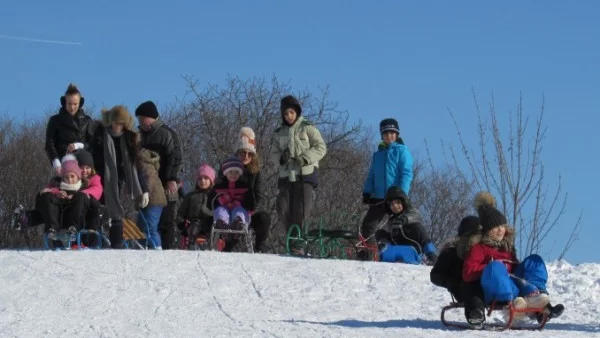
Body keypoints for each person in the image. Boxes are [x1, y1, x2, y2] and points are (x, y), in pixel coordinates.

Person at [463, 191, 564, 321]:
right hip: (495, 288)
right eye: (495, 227)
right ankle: (517, 302)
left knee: (534, 260)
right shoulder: (479, 249)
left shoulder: (507, 248)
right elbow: (467, 273)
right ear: (487, 230)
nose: (500, 230)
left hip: (514, 284)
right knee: (496, 267)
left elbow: (515, 270)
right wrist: (490, 267)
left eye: (502, 226)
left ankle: (539, 299)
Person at [270, 95, 327, 246]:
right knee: (282, 208)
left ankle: (299, 243)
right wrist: (281, 159)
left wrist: (305, 158)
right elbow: (273, 153)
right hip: (286, 175)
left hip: (305, 174)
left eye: (291, 113)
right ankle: (292, 239)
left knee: (301, 211)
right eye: (286, 113)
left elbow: (321, 147)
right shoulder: (278, 132)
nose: (289, 116)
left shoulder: (308, 127)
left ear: (297, 112)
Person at [90, 105, 149, 249]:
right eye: (116, 123)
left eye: (121, 123)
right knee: (98, 210)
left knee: (115, 209)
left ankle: (116, 243)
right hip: (99, 177)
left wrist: (144, 188)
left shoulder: (129, 138)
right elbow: (91, 156)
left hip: (120, 179)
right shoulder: (100, 135)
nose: (118, 126)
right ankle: (94, 241)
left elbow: (138, 164)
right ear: (111, 122)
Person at [135, 100, 183, 249]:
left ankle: (167, 251)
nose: (141, 122)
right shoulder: (139, 135)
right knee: (146, 221)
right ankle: (146, 248)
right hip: (147, 185)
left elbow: (175, 157)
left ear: (151, 117)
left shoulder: (167, 134)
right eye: (139, 120)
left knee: (166, 221)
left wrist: (171, 178)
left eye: (143, 119)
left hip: (166, 183)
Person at [361, 118, 413, 248]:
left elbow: (406, 174)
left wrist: (401, 194)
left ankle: (405, 254)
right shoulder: (378, 155)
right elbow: (372, 175)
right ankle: (371, 254)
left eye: (392, 133)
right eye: (386, 133)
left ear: (397, 135)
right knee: (368, 226)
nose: (389, 136)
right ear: (382, 136)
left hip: (395, 198)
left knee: (400, 227)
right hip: (379, 197)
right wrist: (367, 192)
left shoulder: (402, 151)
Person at [216, 127, 270, 252]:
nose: (246, 156)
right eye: (242, 153)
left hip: (246, 210)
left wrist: (250, 205)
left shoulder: (255, 172)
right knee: (229, 221)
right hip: (227, 210)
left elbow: (258, 194)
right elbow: (218, 188)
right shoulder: (228, 168)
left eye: (249, 154)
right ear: (237, 153)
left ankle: (259, 247)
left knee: (263, 218)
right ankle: (225, 247)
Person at [430, 215, 487, 326]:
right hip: (462, 287)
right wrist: (450, 283)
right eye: (476, 236)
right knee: (470, 290)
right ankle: (475, 313)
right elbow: (435, 275)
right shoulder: (451, 253)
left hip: (486, 285)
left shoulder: (484, 249)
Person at [35, 155, 92, 243]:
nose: (69, 180)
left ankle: (73, 229)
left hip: (77, 220)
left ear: (78, 177)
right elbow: (40, 201)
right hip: (59, 219)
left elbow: (93, 204)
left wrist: (78, 196)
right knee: (46, 196)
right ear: (63, 178)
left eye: (72, 176)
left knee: (81, 196)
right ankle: (52, 229)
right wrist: (54, 192)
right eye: (66, 177)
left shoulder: (84, 188)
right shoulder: (57, 188)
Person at [374, 186, 437, 264]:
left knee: (418, 228)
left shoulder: (411, 212)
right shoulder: (391, 221)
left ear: (403, 203)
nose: (395, 206)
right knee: (380, 233)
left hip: (413, 246)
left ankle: (431, 255)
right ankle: (385, 250)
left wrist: (404, 220)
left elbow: (416, 215)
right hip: (397, 245)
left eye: (398, 203)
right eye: (392, 204)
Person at [45, 83, 94, 176]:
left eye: (75, 104)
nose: (72, 107)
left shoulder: (88, 121)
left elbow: (92, 144)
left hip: (84, 168)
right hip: (63, 166)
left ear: (80, 103)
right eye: (69, 104)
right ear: (64, 102)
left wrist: (77, 145)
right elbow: (49, 144)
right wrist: (57, 164)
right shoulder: (55, 120)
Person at [211, 156, 255, 230]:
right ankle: (222, 223)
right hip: (224, 205)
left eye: (236, 172)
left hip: (238, 205)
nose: (233, 175)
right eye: (231, 172)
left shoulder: (244, 186)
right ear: (226, 173)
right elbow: (212, 198)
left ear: (240, 173)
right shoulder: (220, 186)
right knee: (220, 210)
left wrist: (250, 207)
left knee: (239, 211)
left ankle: (238, 222)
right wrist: (213, 205)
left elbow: (250, 198)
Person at [177, 164, 215, 246]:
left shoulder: (214, 196)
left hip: (209, 225)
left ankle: (209, 241)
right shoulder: (190, 196)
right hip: (193, 224)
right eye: (200, 179)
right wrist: (182, 223)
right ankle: (192, 237)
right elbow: (181, 213)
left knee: (211, 222)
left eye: (206, 178)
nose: (202, 181)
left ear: (211, 180)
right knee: (195, 224)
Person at [136, 148, 168, 249]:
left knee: (150, 228)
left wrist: (146, 191)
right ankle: (145, 247)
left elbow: (148, 178)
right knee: (143, 227)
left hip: (153, 200)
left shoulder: (145, 164)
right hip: (148, 200)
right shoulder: (140, 164)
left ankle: (156, 248)